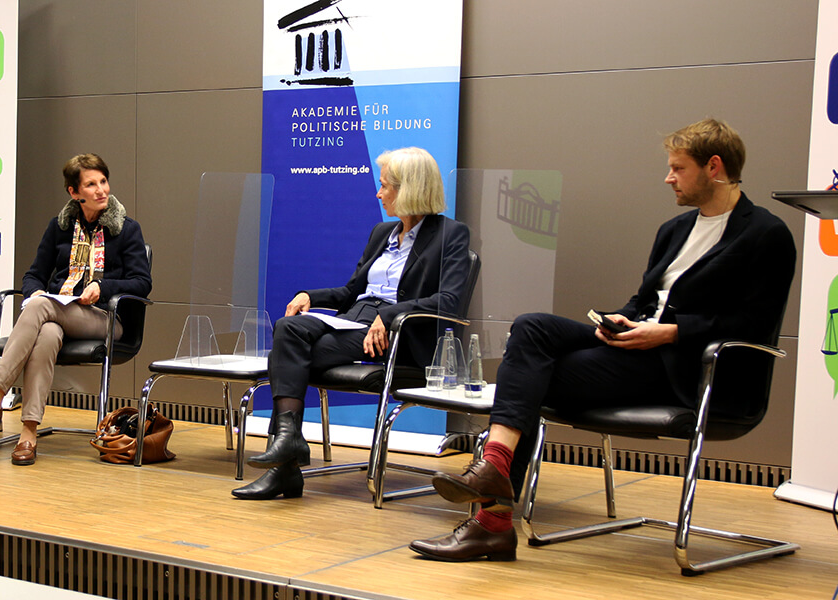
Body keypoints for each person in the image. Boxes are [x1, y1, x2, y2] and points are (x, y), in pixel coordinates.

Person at [410, 118, 796, 562]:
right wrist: (621, 318)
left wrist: (671, 332)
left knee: (531, 378)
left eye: (678, 168)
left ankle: (492, 519)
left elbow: (754, 323)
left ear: (714, 167)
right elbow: (645, 299)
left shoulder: (765, 234)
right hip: (637, 347)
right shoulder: (674, 230)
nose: (668, 178)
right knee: (531, 327)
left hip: (687, 367)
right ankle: (494, 469)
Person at [233, 147, 472, 500]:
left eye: (385, 186)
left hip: (396, 336)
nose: (379, 193)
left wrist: (388, 316)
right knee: (288, 327)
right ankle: (288, 446)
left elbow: (449, 302)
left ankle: (285, 464)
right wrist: (309, 295)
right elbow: (351, 292)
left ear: (409, 188)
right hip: (355, 321)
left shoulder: (450, 235)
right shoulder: (382, 233)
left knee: (287, 356)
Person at [0, 153, 152, 466]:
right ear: (74, 192)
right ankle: (28, 432)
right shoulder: (60, 228)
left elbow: (142, 282)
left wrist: (102, 287)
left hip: (105, 318)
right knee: (46, 332)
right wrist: (35, 292)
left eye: (103, 181)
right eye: (91, 184)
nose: (101, 190)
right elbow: (34, 275)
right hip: (59, 312)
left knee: (41, 306)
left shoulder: (126, 229)